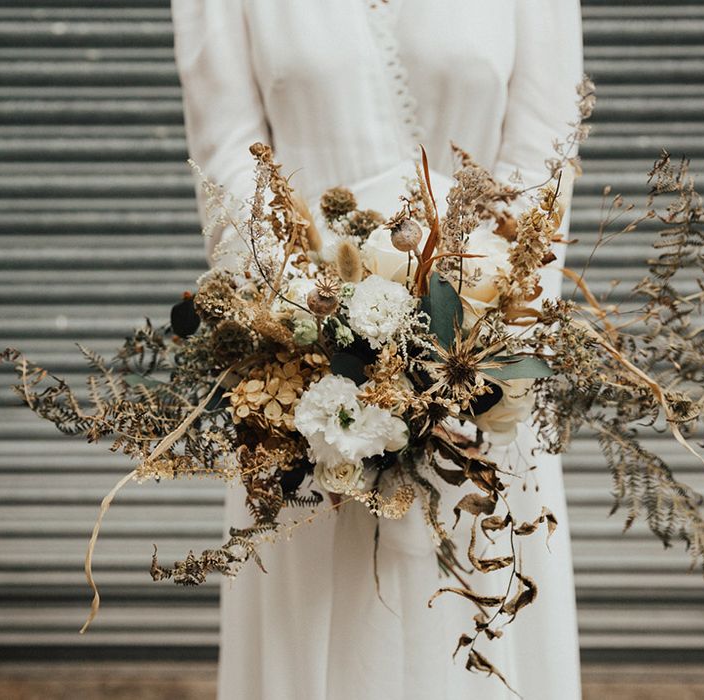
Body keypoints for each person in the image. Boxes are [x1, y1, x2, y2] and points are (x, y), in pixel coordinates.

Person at [172, 2, 583, 698]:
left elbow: (545, 159)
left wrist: (464, 340)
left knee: (476, 621)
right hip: (304, 390)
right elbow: (229, 166)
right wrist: (322, 340)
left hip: (478, 377)